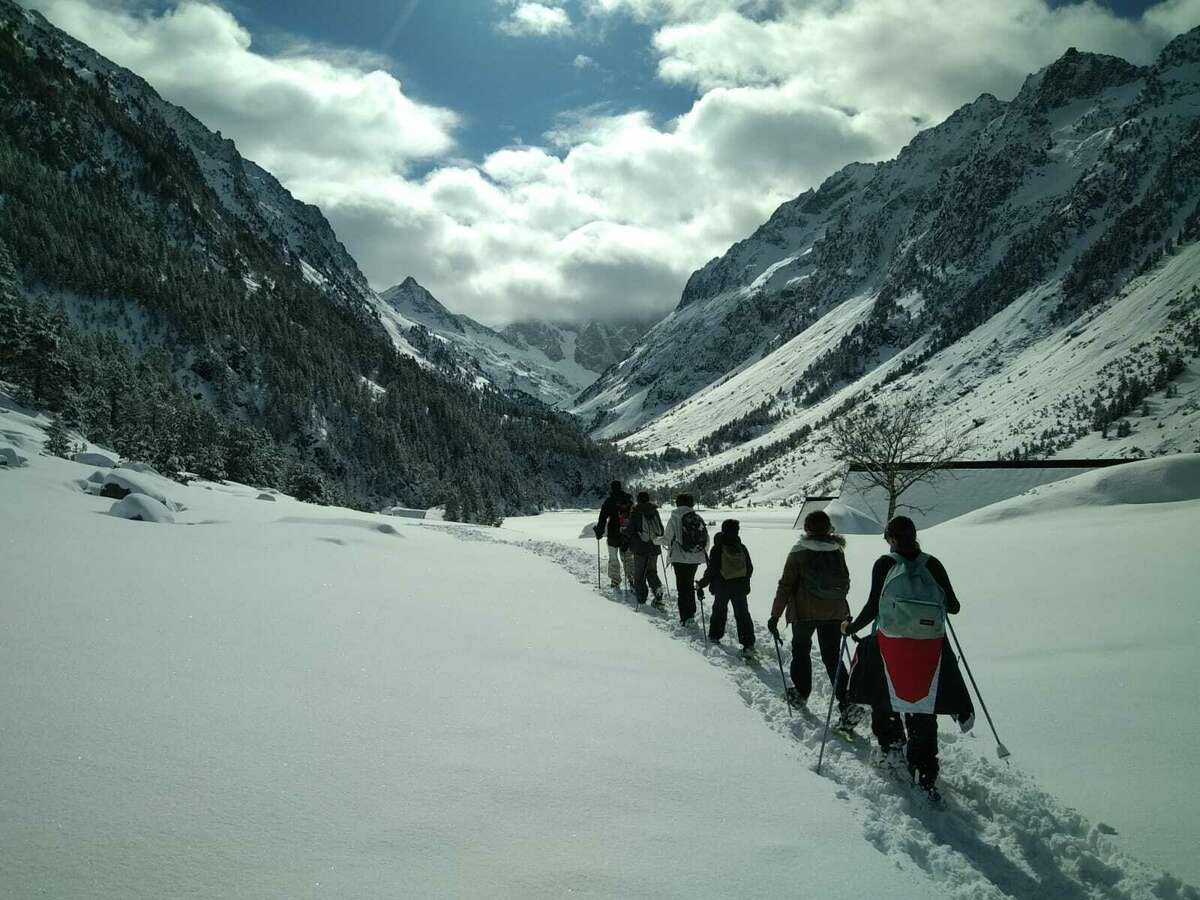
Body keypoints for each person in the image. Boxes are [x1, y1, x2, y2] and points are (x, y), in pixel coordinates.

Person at [842, 515, 975, 801]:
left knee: (885, 695)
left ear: (890, 538)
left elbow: (872, 605)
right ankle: (925, 772)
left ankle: (892, 749)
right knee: (921, 702)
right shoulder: (933, 564)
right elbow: (954, 606)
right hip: (929, 646)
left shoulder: (885, 563)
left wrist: (849, 628)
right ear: (914, 536)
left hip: (891, 643)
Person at [767, 510, 859, 729]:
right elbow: (844, 582)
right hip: (834, 612)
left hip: (804, 612)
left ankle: (800, 692)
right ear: (828, 528)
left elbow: (785, 585)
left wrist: (775, 615)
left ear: (807, 528)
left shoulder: (799, 551)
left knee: (801, 651)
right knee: (832, 657)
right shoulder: (837, 550)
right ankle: (847, 703)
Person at [697, 519, 755, 653]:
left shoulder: (717, 548)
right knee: (742, 614)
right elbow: (749, 568)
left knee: (719, 611)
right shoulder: (741, 547)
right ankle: (748, 643)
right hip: (740, 588)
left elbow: (712, 570)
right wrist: (744, 582)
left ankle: (715, 636)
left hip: (722, 587)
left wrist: (702, 583)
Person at [657, 493, 708, 625]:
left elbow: (667, 539)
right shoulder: (697, 517)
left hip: (679, 558)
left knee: (682, 587)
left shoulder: (674, 517)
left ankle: (685, 617)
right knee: (689, 585)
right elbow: (705, 540)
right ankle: (690, 614)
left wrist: (654, 540)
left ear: (678, 504)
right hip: (695, 558)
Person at [624, 491, 665, 606]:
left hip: (640, 549)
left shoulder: (636, 512)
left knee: (639, 574)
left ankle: (641, 598)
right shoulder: (654, 511)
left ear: (638, 500)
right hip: (654, 547)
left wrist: (624, 538)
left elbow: (630, 530)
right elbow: (661, 529)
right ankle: (657, 590)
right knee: (651, 571)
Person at [594, 480, 634, 590]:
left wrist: (599, 532)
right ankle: (632, 579)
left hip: (613, 533)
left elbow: (602, 518)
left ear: (611, 488)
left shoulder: (609, 501)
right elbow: (633, 516)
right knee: (627, 557)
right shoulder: (628, 499)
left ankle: (615, 581)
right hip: (626, 533)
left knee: (613, 558)